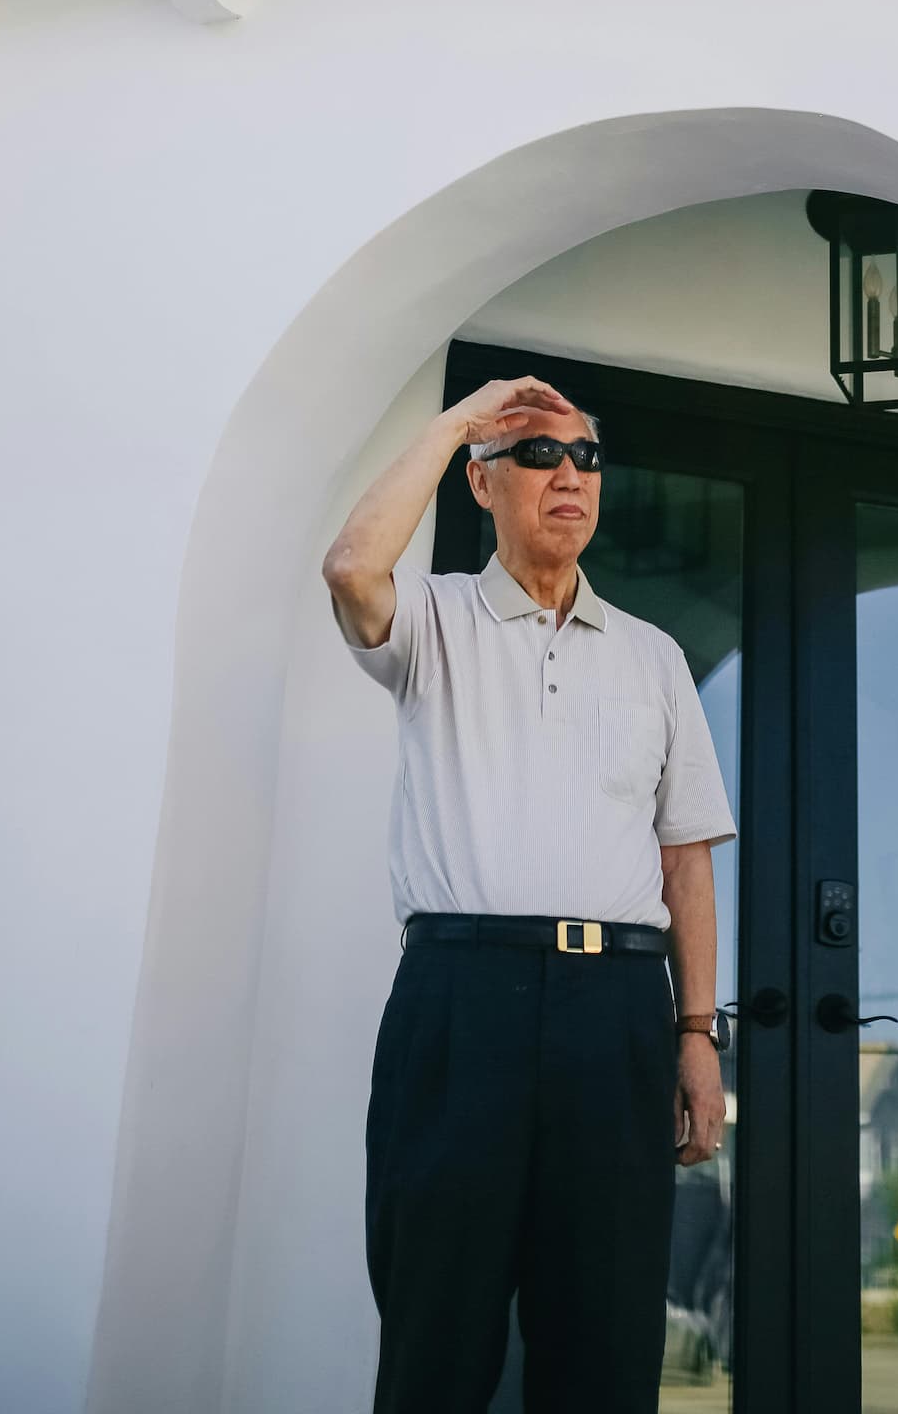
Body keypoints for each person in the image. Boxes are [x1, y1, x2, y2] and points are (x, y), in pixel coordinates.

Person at [324, 373, 737, 1414]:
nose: (569, 475)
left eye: (586, 458)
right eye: (538, 455)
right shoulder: (435, 618)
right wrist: (462, 418)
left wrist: (697, 1033)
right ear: (482, 483)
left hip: (616, 1017)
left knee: (603, 1341)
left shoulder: (655, 657)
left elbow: (686, 857)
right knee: (436, 1330)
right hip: (461, 1004)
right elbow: (350, 564)